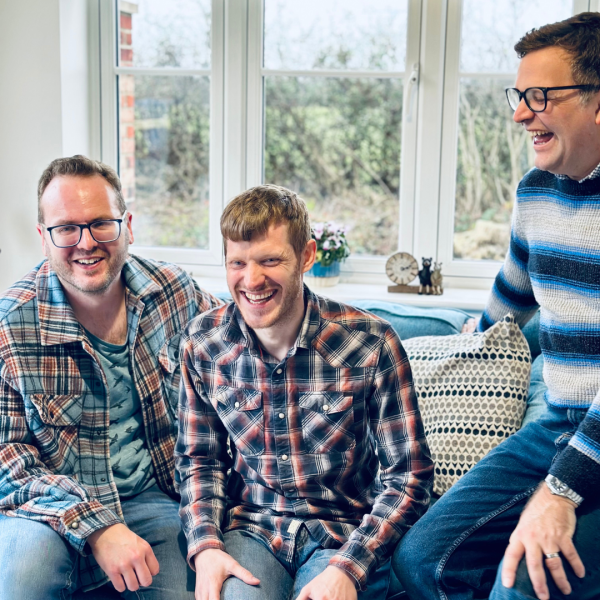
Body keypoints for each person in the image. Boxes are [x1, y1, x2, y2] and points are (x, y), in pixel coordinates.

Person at [393, 12, 600, 600]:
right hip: (561, 425)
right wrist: (474, 341)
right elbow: (515, 289)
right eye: (519, 95)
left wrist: (560, 494)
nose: (518, 114)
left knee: (520, 584)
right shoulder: (535, 192)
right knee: (424, 560)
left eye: (540, 96)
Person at [175, 184, 433, 600]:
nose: (252, 279)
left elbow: (410, 478)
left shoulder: (371, 342)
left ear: (307, 256)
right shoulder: (204, 343)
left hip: (344, 534)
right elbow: (198, 462)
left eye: (270, 260)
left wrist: (350, 568)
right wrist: (205, 545)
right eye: (237, 262)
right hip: (252, 531)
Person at [0, 155, 222, 599]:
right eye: (66, 228)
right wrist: (98, 528)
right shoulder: (11, 324)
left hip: (155, 501)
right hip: (48, 510)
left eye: (102, 223)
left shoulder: (177, 293)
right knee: (23, 581)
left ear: (128, 226)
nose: (86, 243)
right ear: (44, 238)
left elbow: (245, 353)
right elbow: (7, 457)